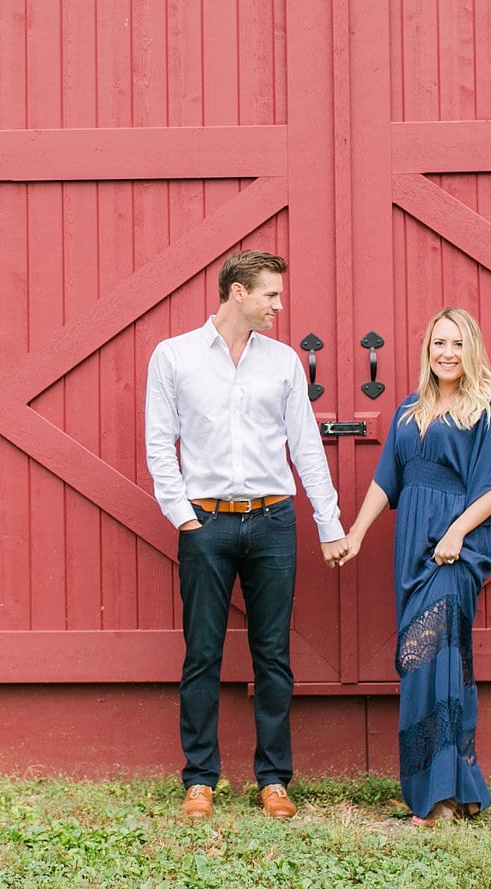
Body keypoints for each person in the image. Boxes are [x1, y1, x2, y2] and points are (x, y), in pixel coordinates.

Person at [144, 250, 349, 819]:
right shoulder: (175, 357)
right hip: (204, 522)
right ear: (237, 293)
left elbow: (305, 446)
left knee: (273, 655)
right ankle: (199, 780)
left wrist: (327, 523)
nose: (279, 306)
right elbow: (160, 443)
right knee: (203, 653)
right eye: (271, 296)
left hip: (273, 521)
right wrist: (182, 514)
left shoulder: (283, 363)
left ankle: (273, 779)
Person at [331, 307, 491, 826]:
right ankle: (425, 785)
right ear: (427, 350)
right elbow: (385, 480)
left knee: (441, 664)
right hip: (410, 549)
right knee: (416, 664)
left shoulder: (488, 407)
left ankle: (446, 795)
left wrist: (457, 532)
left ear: (472, 348)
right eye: (439, 343)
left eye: (457, 343)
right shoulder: (410, 410)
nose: (448, 353)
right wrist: (357, 533)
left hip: (453, 549)